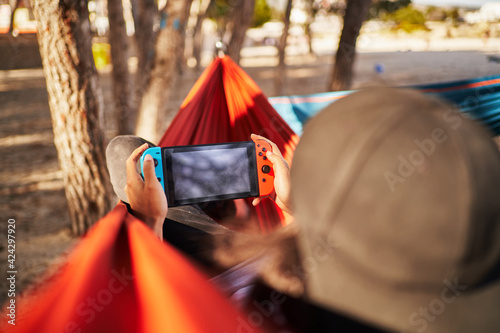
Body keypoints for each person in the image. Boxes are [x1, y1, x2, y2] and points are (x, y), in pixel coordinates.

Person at [108, 87, 500, 332]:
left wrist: (148, 223)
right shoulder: (441, 272)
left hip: (208, 278)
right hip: (271, 255)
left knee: (128, 154)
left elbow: (154, 315)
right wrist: (294, 208)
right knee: (152, 166)